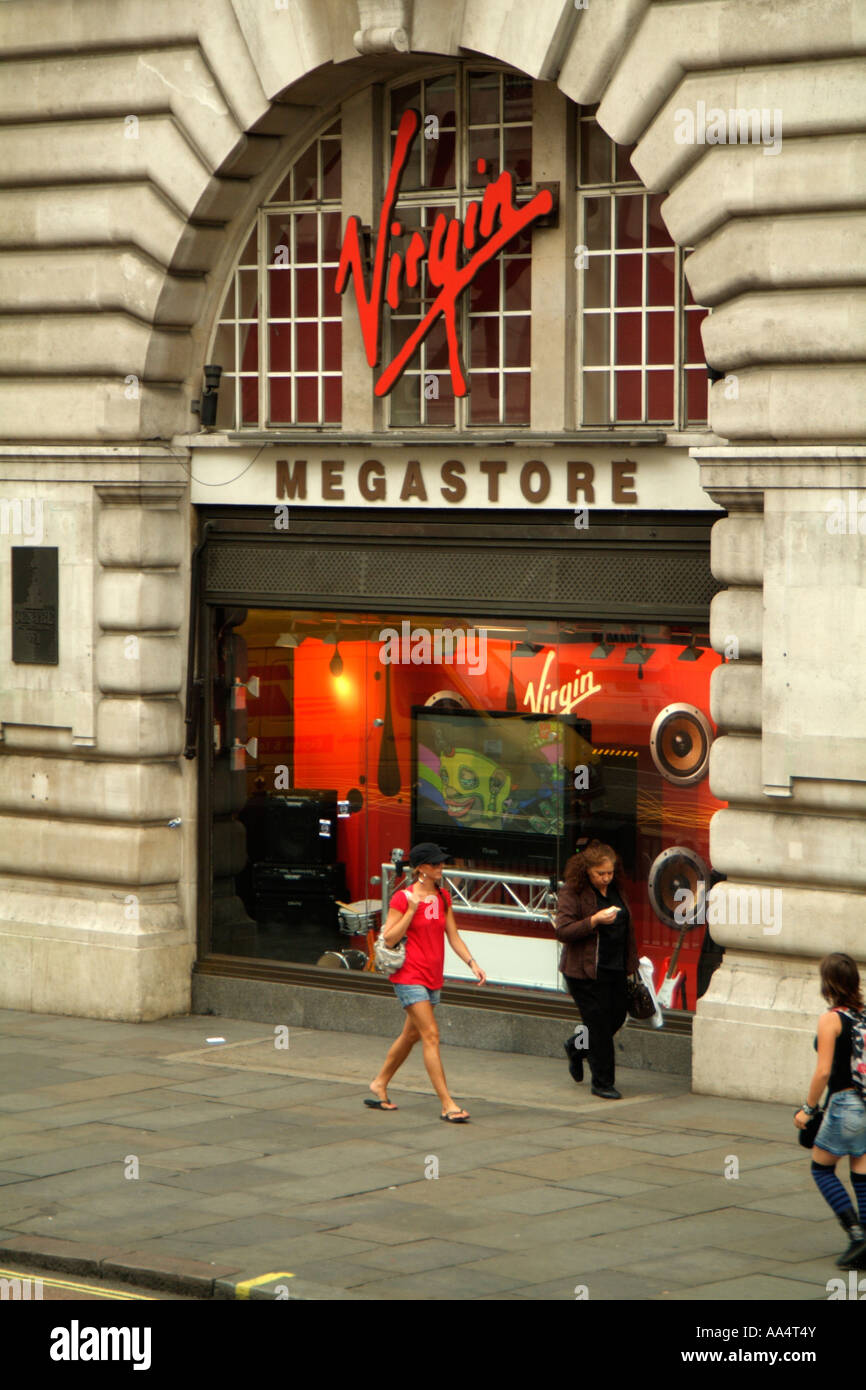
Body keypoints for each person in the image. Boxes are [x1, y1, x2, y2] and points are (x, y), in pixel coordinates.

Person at [366, 842, 487, 1122]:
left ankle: (379, 1083)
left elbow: (453, 936)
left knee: (411, 1035)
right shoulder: (403, 898)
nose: (440, 868)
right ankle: (447, 1104)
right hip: (409, 975)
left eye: (441, 863)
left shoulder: (443, 897)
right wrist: (410, 910)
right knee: (431, 1035)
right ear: (420, 868)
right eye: (435, 864)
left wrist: (473, 964)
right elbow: (390, 939)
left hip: (433, 975)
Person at [794, 953, 866, 1269]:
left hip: (845, 1104)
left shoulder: (831, 1019)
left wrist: (807, 1110)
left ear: (828, 983)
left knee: (822, 1169)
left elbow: (823, 1072)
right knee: (861, 1171)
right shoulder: (863, 1015)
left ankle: (856, 1234)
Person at [554, 839, 639, 1100]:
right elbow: (563, 930)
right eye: (600, 874)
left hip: (615, 967)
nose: (605, 878)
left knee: (615, 1018)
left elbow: (627, 928)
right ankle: (602, 1082)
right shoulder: (573, 891)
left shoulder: (615, 889)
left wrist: (632, 964)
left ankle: (577, 1048)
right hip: (584, 971)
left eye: (610, 873)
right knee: (600, 1026)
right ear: (587, 871)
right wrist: (593, 921)